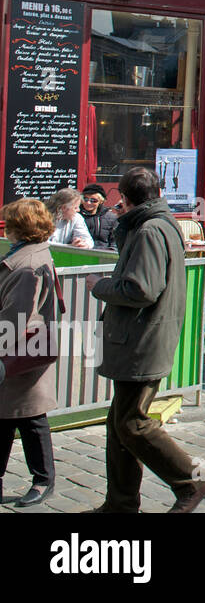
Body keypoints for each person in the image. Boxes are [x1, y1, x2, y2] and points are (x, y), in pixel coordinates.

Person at [88, 167, 205, 513]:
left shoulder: (150, 229)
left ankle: (192, 480)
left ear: (127, 200)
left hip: (142, 339)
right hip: (143, 335)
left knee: (131, 423)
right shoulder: (161, 224)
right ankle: (121, 503)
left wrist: (100, 286)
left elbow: (140, 288)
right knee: (119, 425)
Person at [0, 199, 61, 507]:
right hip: (21, 350)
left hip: (19, 353)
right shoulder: (28, 255)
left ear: (19, 228)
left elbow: (13, 320)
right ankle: (40, 480)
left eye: (9, 223)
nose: (5, 228)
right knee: (9, 417)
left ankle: (43, 481)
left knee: (30, 418)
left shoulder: (25, 265)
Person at [80, 184, 118, 251]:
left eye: (93, 200)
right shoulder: (76, 216)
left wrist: (110, 252)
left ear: (101, 201)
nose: (88, 203)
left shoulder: (111, 218)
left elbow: (115, 241)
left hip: (104, 255)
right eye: (85, 199)